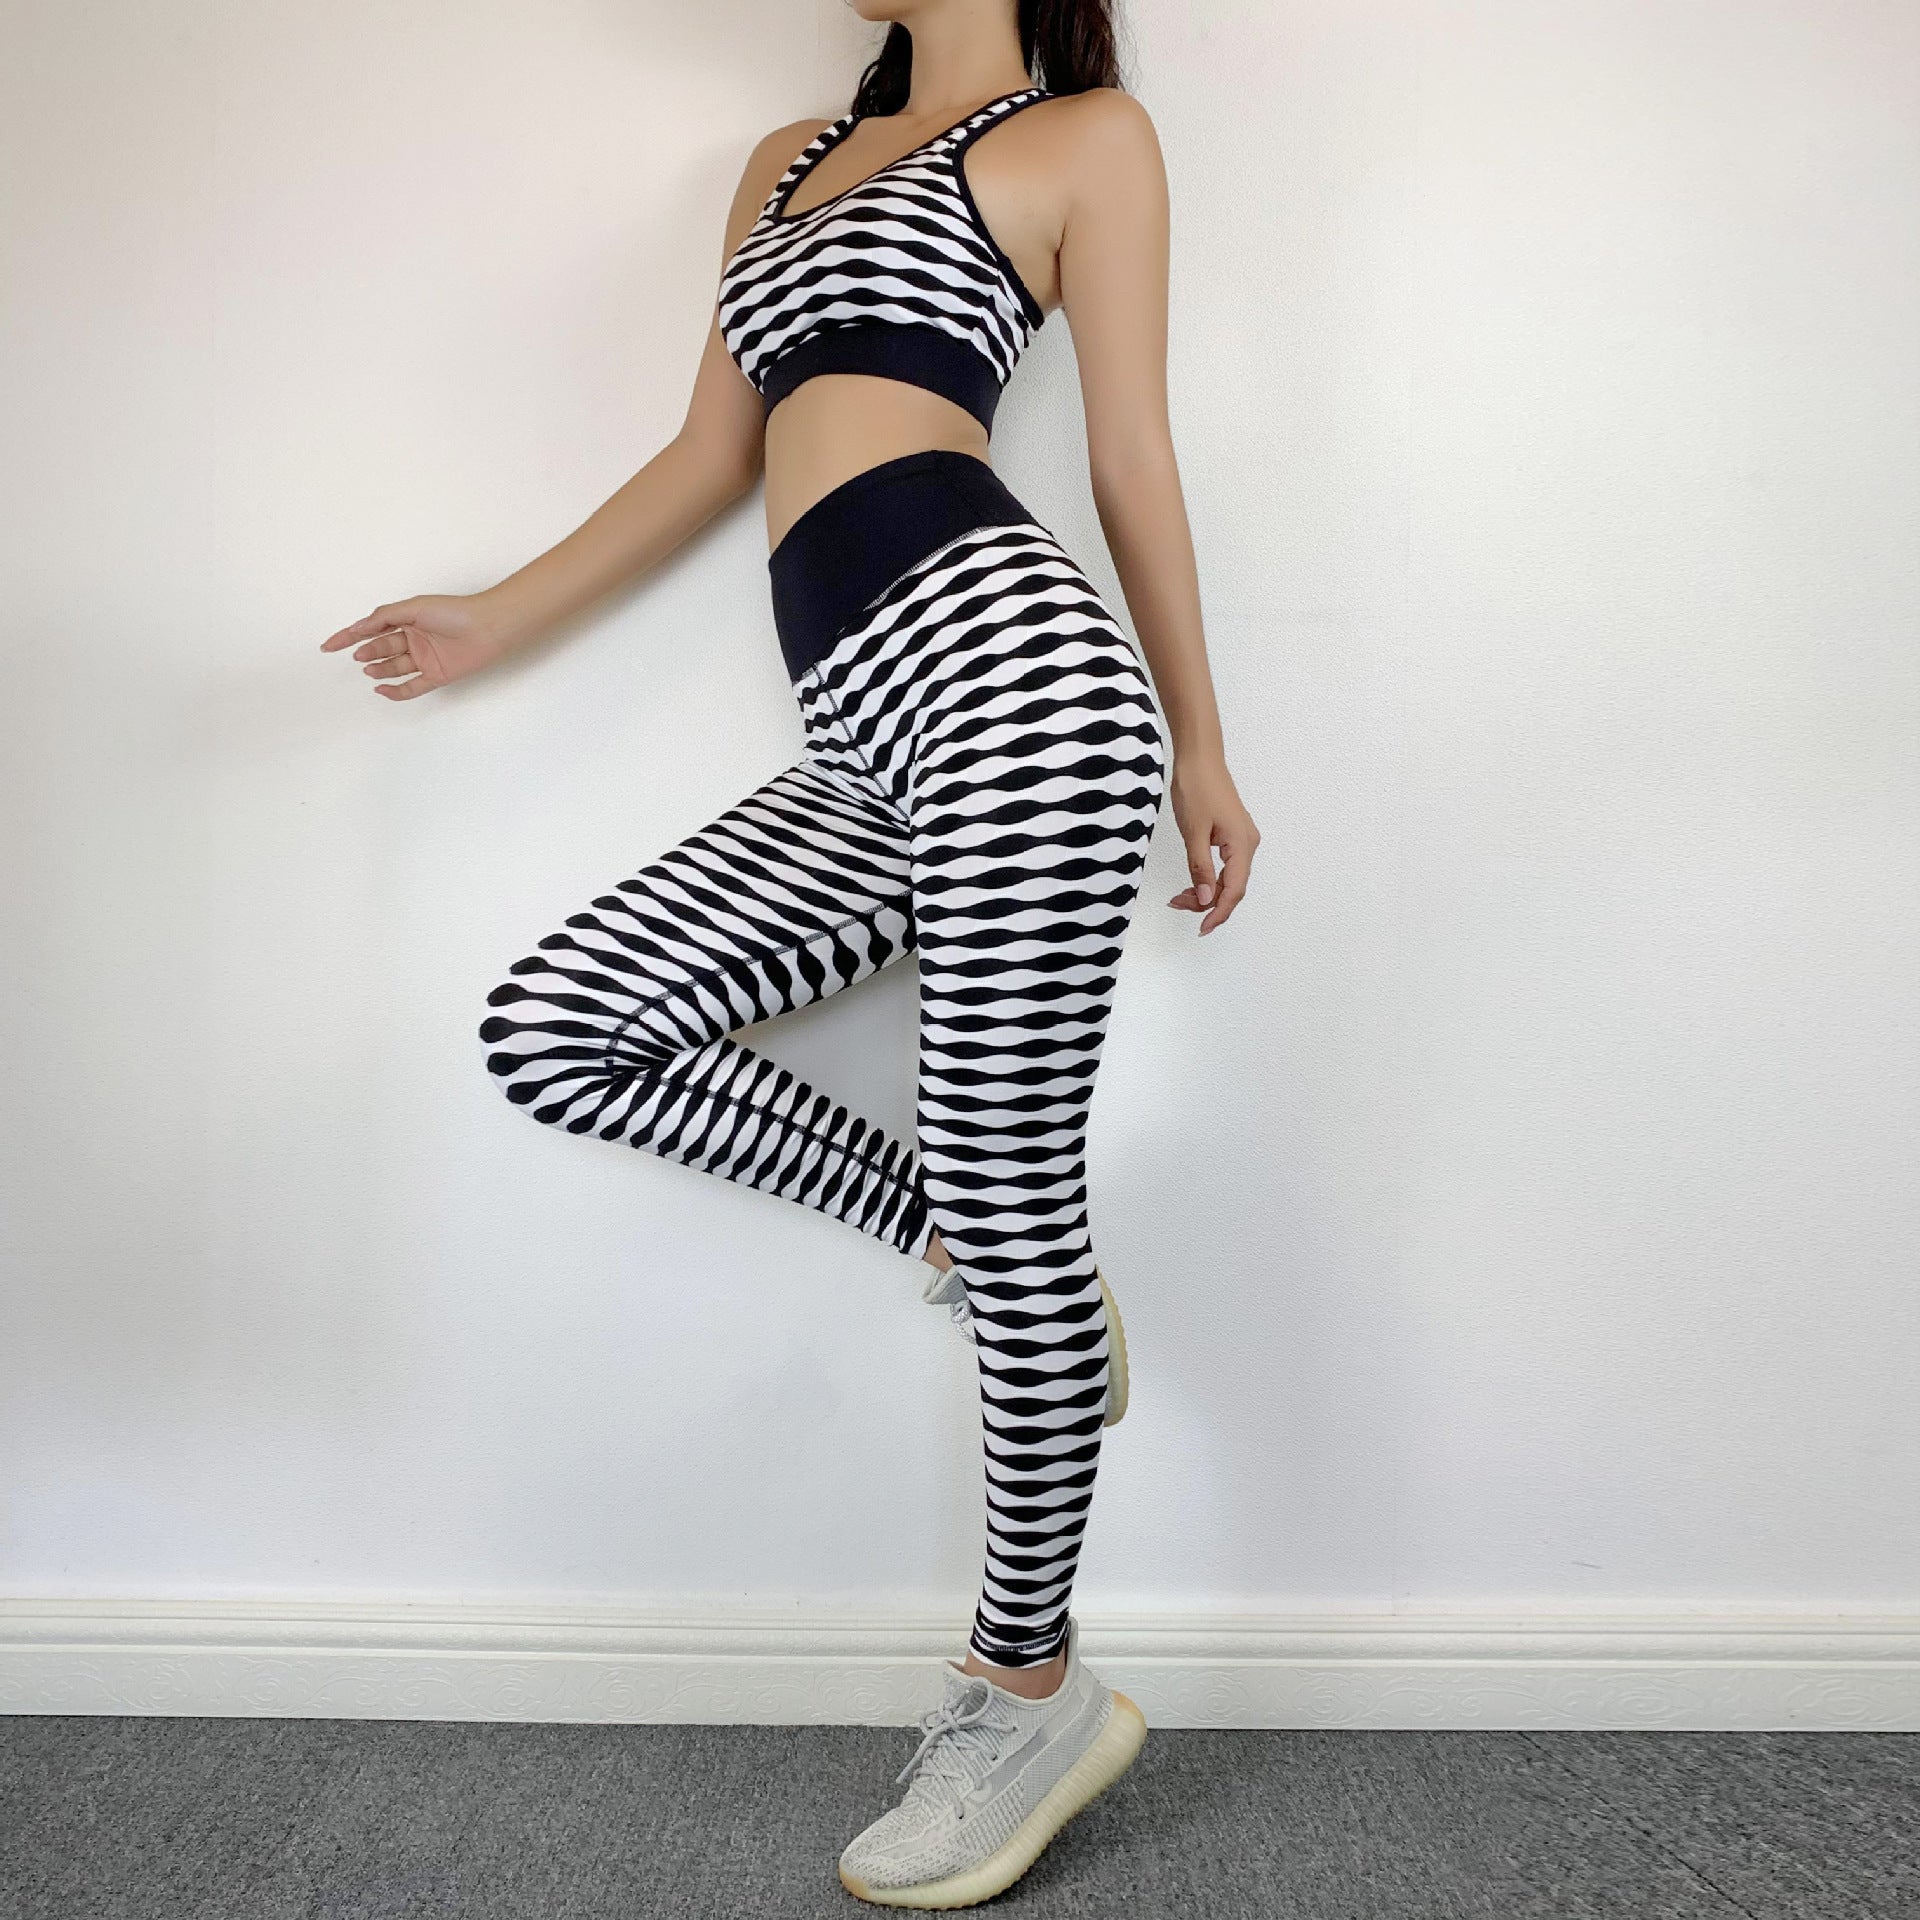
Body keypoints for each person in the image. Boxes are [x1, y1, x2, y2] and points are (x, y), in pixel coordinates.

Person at [320, 0, 1257, 1903]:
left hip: (1023, 681)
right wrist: (496, 617)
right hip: (862, 728)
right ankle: (987, 1250)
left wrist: (1204, 746)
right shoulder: (785, 162)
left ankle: (1026, 1692)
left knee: (1011, 1165)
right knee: (562, 1027)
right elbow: (705, 453)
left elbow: (1134, 457)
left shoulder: (1082, 141)